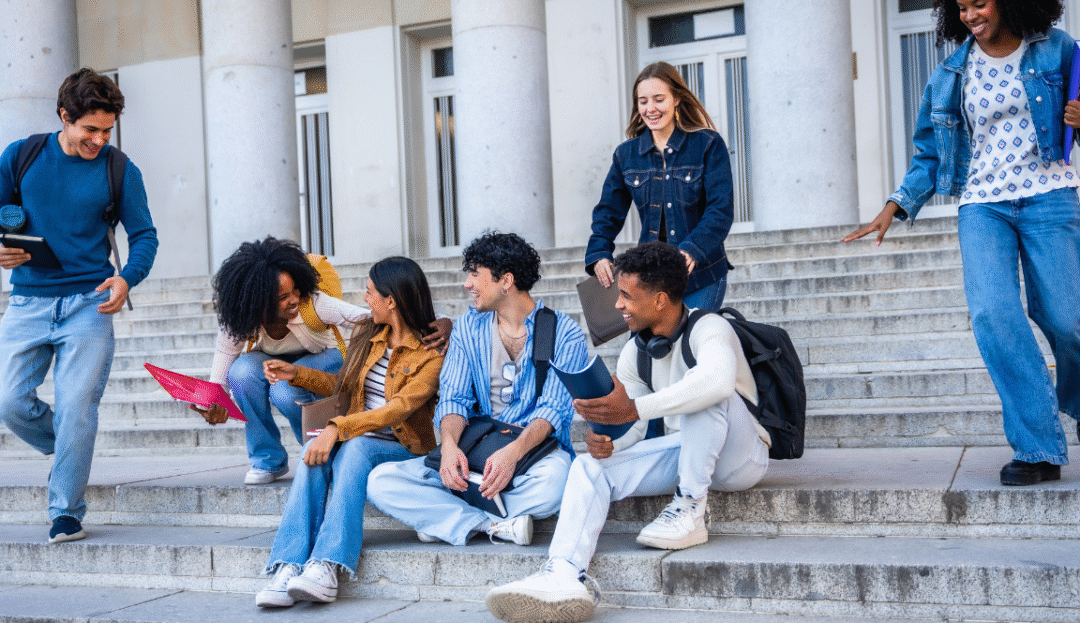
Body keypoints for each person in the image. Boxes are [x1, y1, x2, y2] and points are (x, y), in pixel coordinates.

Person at [842, 0, 1080, 487]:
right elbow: (930, 152)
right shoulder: (951, 74)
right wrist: (895, 205)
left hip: (1051, 193)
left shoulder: (1058, 50)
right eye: (963, 8)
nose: (972, 15)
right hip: (982, 204)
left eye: (981, 3)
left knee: (1068, 320)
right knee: (995, 318)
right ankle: (1038, 447)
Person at [485, 241, 770, 623]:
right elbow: (634, 427)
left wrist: (635, 407)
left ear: (660, 301)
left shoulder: (711, 327)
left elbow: (717, 384)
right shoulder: (637, 351)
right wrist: (608, 440)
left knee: (705, 393)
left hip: (740, 458)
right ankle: (563, 573)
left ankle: (690, 510)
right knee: (587, 467)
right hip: (687, 452)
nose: (617, 305)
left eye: (626, 295)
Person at [0, 68, 158, 543]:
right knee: (8, 401)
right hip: (28, 299)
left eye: (106, 130)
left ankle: (65, 509)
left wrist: (127, 278)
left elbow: (145, 235)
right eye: (90, 129)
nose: (99, 139)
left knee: (76, 408)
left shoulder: (119, 169)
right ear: (64, 116)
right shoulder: (21, 156)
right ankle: (72, 450)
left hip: (90, 302)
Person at [367, 231, 588, 547]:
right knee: (381, 482)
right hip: (473, 454)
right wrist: (449, 446)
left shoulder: (563, 332)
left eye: (475, 274)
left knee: (556, 482)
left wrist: (512, 453)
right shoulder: (468, 328)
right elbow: (454, 397)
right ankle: (493, 524)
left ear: (506, 281)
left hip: (530, 456)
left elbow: (553, 409)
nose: (467, 284)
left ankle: (446, 519)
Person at [254, 256, 444, 607]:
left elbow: (396, 410)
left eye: (371, 291)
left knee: (353, 448)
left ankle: (326, 565)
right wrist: (296, 375)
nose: (365, 297)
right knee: (314, 451)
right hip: (356, 434)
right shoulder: (368, 334)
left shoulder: (430, 355)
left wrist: (337, 429)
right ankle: (289, 564)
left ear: (392, 300)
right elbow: (345, 389)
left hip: (402, 445)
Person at [196, 237, 450, 485]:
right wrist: (213, 403)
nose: (294, 299)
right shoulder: (241, 319)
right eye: (283, 297)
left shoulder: (314, 303)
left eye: (295, 290)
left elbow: (372, 316)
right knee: (240, 373)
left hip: (324, 358)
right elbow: (223, 364)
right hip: (274, 361)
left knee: (284, 390)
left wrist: (440, 321)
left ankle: (316, 451)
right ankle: (268, 458)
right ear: (257, 300)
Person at [585, 61, 734, 312]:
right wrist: (599, 252)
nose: (650, 108)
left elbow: (720, 209)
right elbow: (607, 212)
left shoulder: (707, 145)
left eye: (658, 99)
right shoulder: (626, 155)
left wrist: (690, 251)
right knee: (644, 349)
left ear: (676, 99)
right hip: (649, 278)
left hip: (701, 276)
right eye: (643, 101)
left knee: (688, 343)